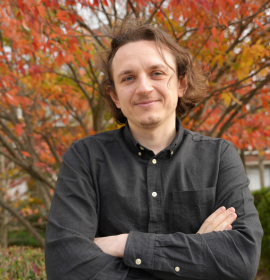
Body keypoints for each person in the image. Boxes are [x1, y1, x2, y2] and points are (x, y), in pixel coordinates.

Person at [45, 18, 263, 280]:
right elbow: (66, 267)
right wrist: (195, 257)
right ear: (114, 95)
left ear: (181, 84)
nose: (144, 87)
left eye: (157, 73)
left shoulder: (219, 157)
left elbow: (241, 260)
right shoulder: (85, 159)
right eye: (128, 78)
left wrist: (125, 244)